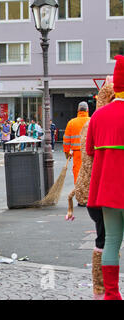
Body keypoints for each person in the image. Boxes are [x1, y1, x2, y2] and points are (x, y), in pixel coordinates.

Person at [66, 78, 115, 300]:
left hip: (94, 193)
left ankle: (101, 291)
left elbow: (85, 157)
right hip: (112, 191)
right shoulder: (105, 121)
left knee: (104, 241)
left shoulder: (90, 123)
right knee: (110, 241)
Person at [86, 55, 124, 300]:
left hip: (108, 193)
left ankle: (112, 294)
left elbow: (89, 151)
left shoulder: (98, 116)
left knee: (111, 241)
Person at [63, 101, 90, 184]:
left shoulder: (72, 123)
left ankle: (79, 194)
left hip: (77, 154)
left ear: (78, 110)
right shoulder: (92, 121)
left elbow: (66, 140)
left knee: (78, 174)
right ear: (87, 110)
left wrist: (67, 153)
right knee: (89, 174)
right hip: (90, 153)